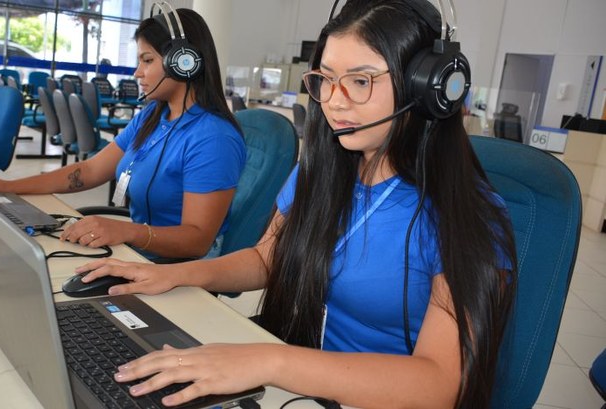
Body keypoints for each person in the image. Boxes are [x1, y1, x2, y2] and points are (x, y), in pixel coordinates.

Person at [71, 0, 518, 408]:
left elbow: (440, 384)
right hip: (304, 389)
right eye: (325, 80)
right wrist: (168, 275)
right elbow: (268, 257)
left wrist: (270, 362)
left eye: (360, 81)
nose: (333, 102)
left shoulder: (470, 215)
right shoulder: (324, 171)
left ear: (428, 87)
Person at [0, 8, 246, 261]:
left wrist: (126, 231)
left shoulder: (213, 138)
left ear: (183, 62)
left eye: (147, 60)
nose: (137, 72)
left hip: (177, 271)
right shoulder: (152, 115)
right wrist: (4, 186)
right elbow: (90, 170)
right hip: (140, 255)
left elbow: (197, 242)